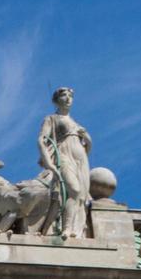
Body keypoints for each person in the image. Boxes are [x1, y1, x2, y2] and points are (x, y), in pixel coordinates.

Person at [37, 87, 92, 238]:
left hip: (80, 158)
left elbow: (87, 148)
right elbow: (42, 140)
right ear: (56, 100)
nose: (68, 98)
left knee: (81, 195)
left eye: (70, 96)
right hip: (63, 154)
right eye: (64, 95)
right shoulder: (51, 119)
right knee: (74, 190)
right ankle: (66, 229)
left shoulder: (75, 123)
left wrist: (87, 139)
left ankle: (76, 229)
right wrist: (49, 163)